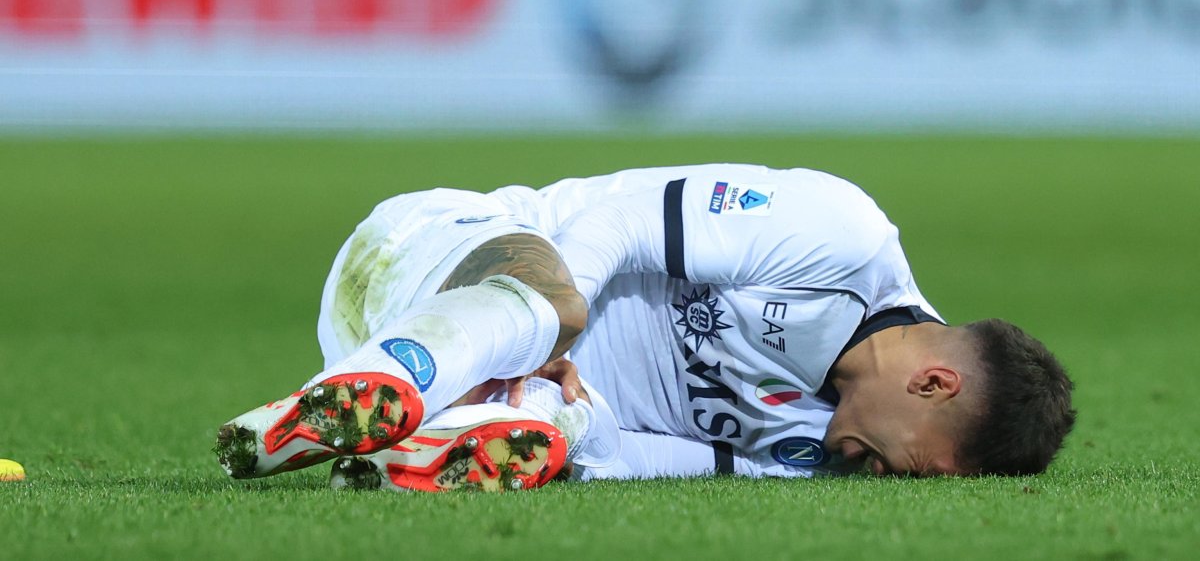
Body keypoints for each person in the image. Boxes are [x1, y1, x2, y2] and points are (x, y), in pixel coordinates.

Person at [214, 164, 1076, 490]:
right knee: (556, 302)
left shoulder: (818, 457)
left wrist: (584, 423)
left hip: (484, 381)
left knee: (553, 434)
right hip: (438, 255)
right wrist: (554, 343)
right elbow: (623, 219)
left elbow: (640, 460)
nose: (892, 481)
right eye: (918, 466)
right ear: (936, 383)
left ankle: (386, 442)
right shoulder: (843, 238)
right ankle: (392, 384)